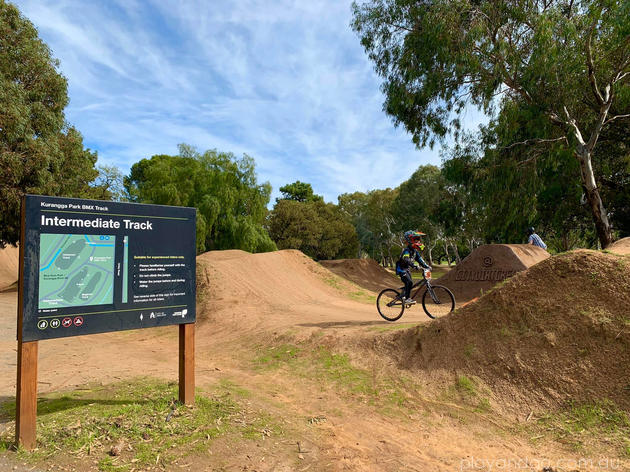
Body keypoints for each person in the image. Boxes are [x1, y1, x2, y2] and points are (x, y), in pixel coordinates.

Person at [396, 230, 431, 305]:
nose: (418, 241)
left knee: (410, 284)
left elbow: (420, 260)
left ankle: (403, 295)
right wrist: (414, 265)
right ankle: (407, 299)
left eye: (418, 239)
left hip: (407, 269)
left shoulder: (415, 252)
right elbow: (406, 259)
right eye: (415, 239)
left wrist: (427, 266)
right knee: (409, 282)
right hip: (401, 269)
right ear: (410, 240)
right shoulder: (407, 251)